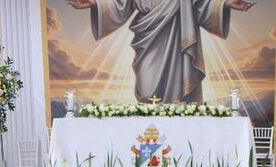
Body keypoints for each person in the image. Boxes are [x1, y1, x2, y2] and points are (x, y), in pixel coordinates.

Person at [66, 0, 255, 103]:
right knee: (147, 87)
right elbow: (120, 4)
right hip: (147, 39)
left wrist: (226, 3)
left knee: (178, 87)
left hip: (178, 34)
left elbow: (201, 4)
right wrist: (94, 3)